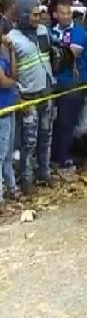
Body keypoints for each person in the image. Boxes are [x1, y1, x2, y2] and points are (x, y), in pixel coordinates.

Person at [7, 0, 55, 195]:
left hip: (47, 94)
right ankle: (26, 179)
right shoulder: (11, 39)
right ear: (23, 15)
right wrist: (17, 96)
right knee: (29, 141)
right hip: (28, 98)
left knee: (46, 136)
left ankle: (45, 173)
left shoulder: (44, 31)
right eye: (34, 15)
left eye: (39, 14)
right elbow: (10, 72)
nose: (38, 18)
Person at [50, 0, 87, 172]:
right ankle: (52, 157)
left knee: (67, 122)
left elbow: (70, 54)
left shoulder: (78, 31)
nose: (67, 16)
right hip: (53, 84)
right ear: (55, 15)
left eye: (69, 13)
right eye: (63, 13)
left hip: (73, 84)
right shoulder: (51, 31)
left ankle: (64, 158)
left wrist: (53, 50)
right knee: (53, 123)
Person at [0, 32, 17, 208]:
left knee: (8, 154)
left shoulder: (3, 54)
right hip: (2, 111)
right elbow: (4, 82)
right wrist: (13, 81)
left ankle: (12, 188)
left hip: (9, 107)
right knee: (1, 155)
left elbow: (13, 73)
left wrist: (11, 51)